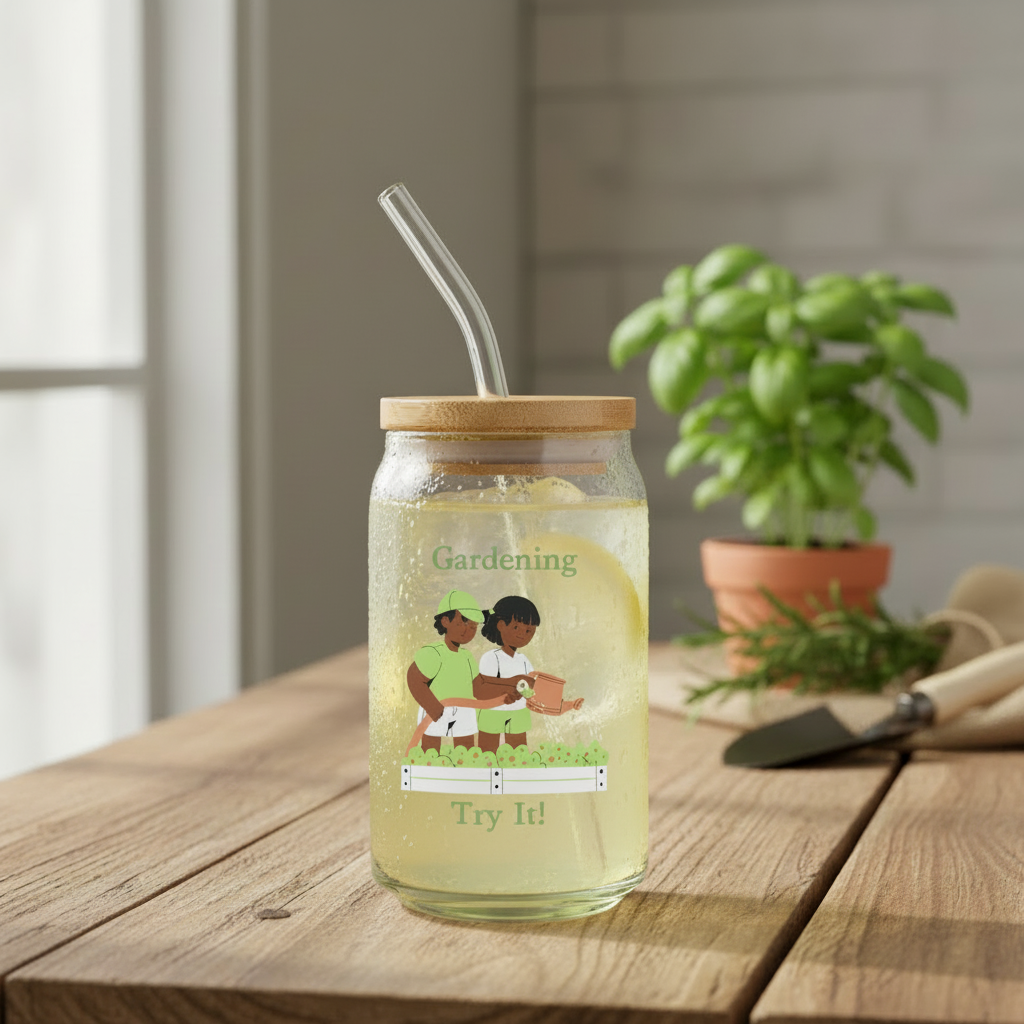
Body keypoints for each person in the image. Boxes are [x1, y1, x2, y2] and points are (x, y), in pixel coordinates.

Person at [475, 595, 582, 754]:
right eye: (517, 627)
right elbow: (482, 690)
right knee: (487, 755)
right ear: (501, 625)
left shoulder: (523, 661)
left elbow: (532, 695)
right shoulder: (491, 658)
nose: (523, 634)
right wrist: (510, 688)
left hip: (518, 714)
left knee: (519, 757)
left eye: (529, 631)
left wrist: (567, 705)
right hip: (492, 713)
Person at [406, 590, 509, 753]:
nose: (469, 630)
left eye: (474, 626)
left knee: (466, 750)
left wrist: (505, 692)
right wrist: (432, 706)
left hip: (464, 710)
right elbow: (414, 678)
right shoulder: (434, 652)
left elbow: (478, 687)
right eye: (464, 622)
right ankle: (429, 772)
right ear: (445, 620)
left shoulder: (467, 657)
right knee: (431, 750)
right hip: (436, 708)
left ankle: (464, 772)